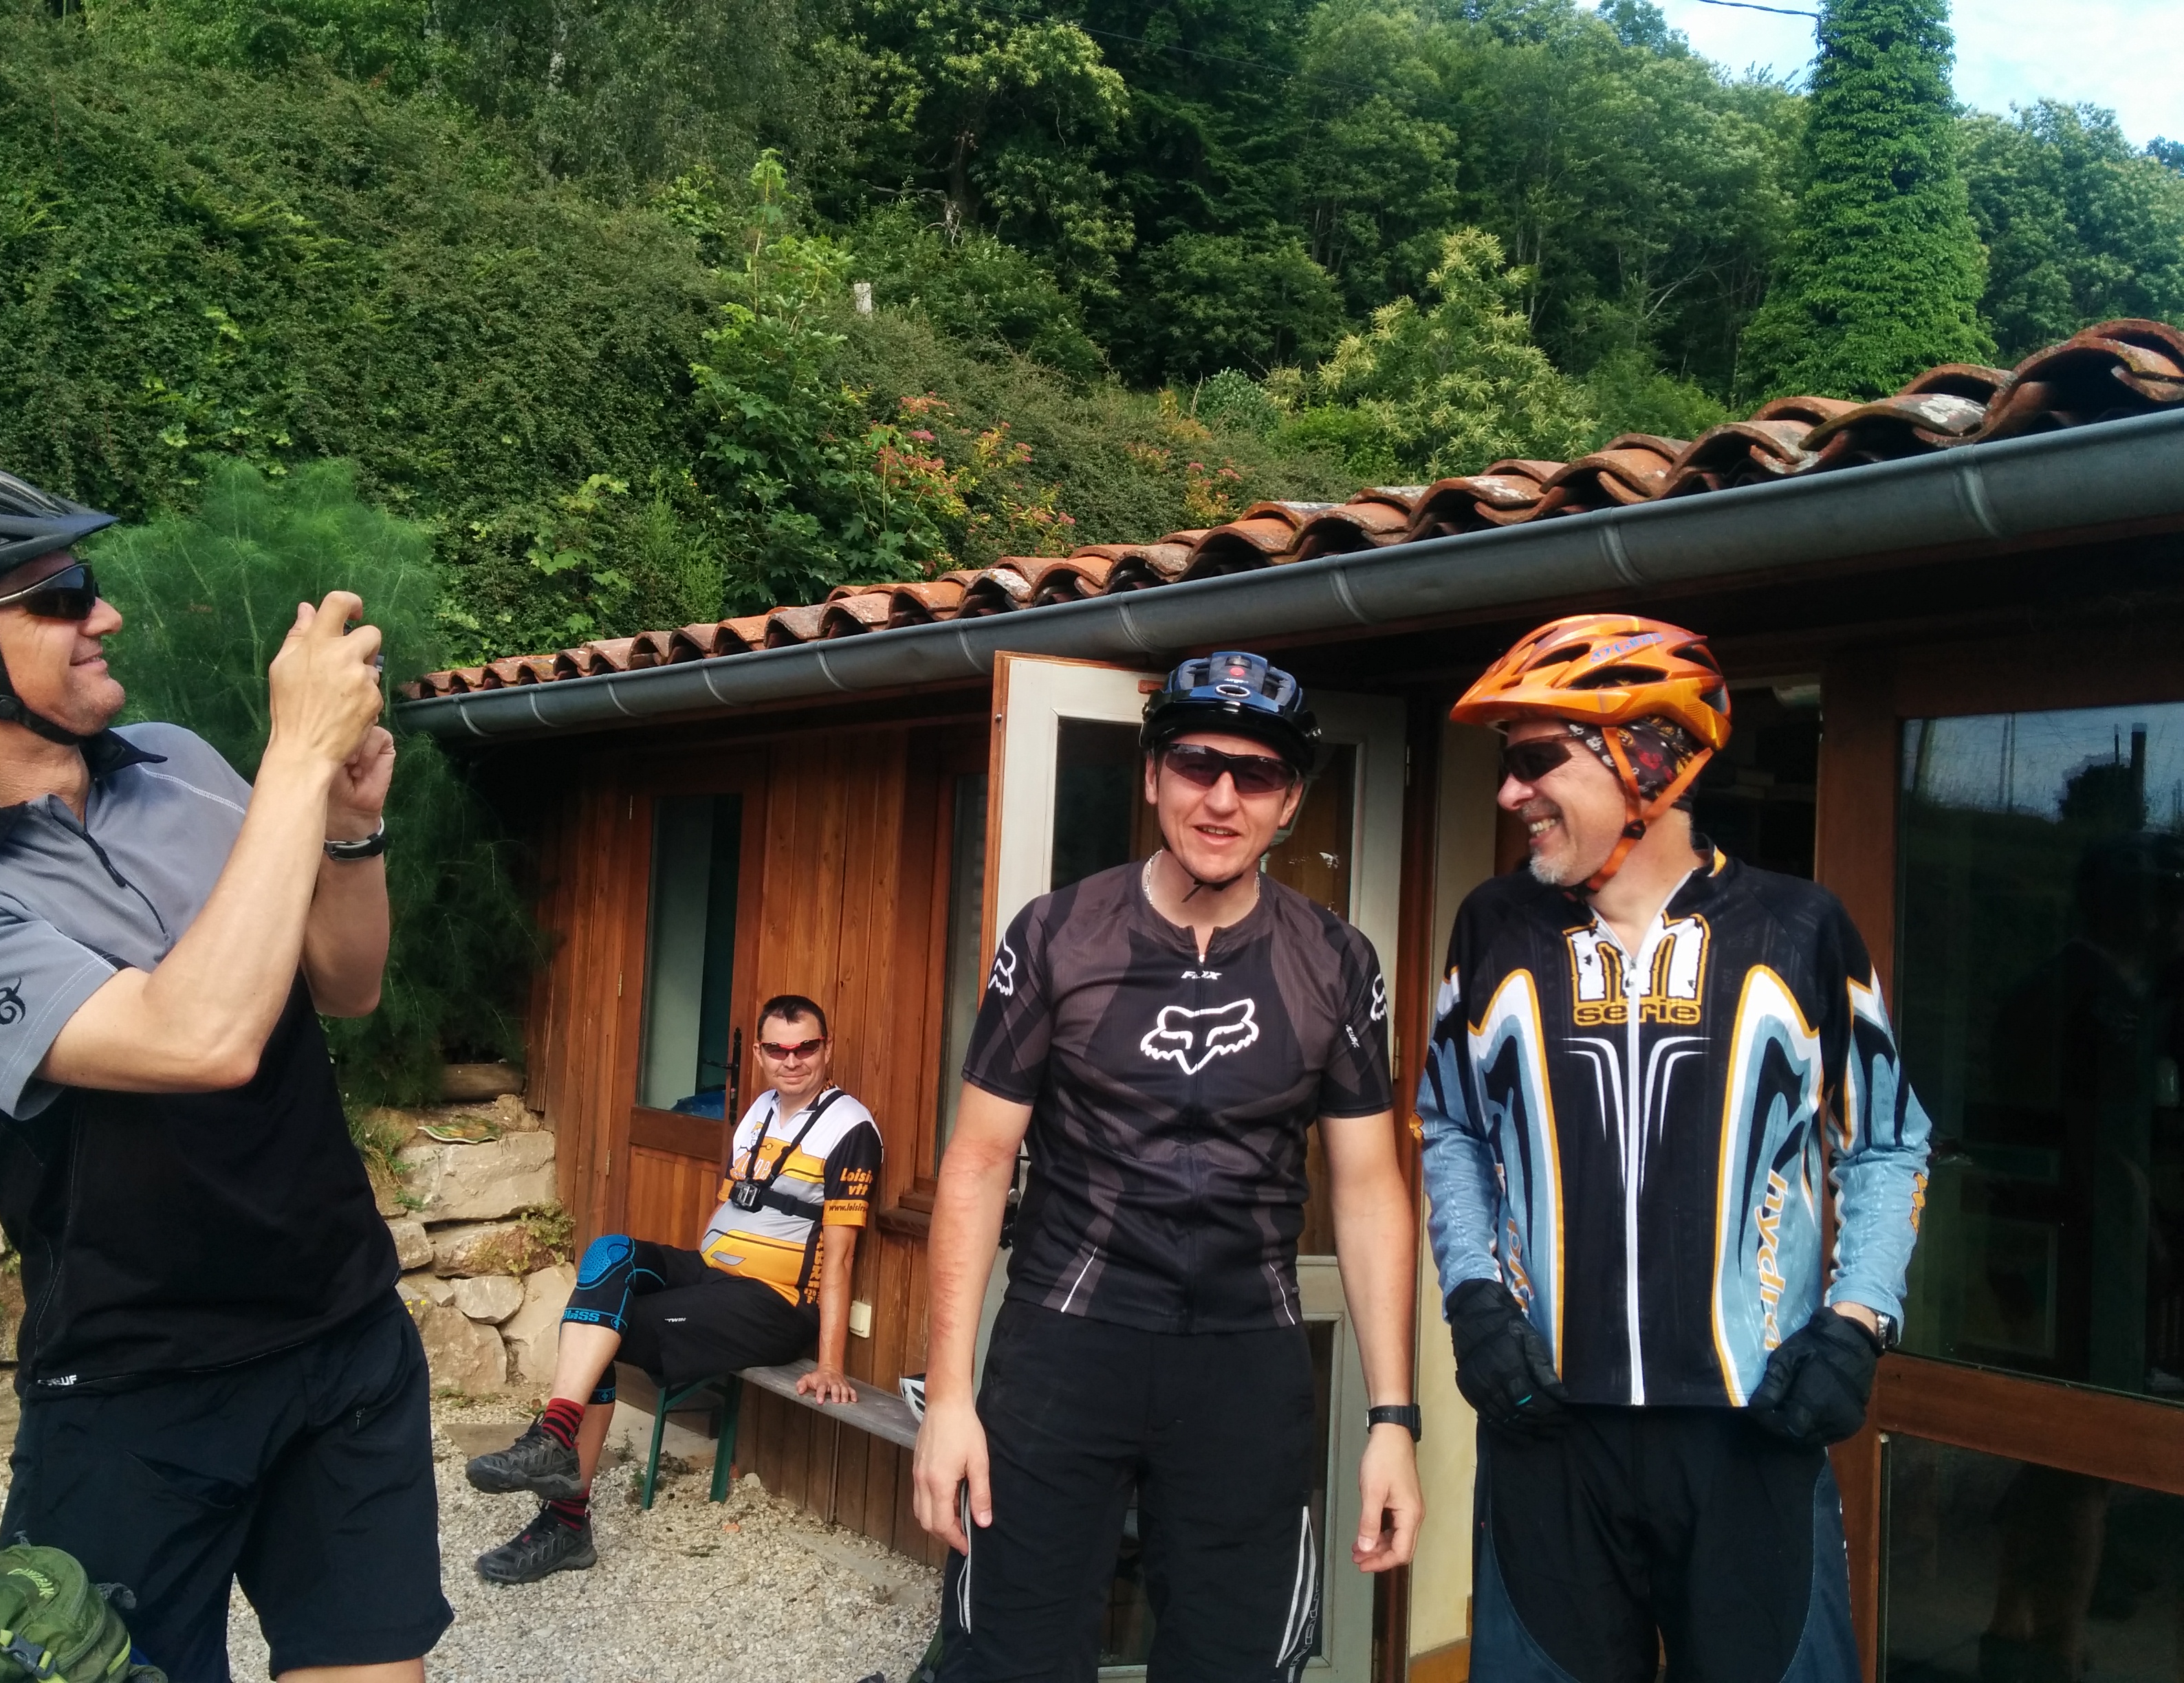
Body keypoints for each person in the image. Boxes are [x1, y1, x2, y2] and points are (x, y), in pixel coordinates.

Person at [0, 459, 448, 1682]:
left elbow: (344, 982)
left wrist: (345, 829)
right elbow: (196, 1038)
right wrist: (295, 757)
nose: (106, 614)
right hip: (135, 1386)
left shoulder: (175, 761)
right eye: (62, 596)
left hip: (344, 1332)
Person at [1420, 614, 1934, 1683]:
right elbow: (1453, 1126)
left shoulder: (1802, 929)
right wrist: (1472, 1298)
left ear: (1648, 761)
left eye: (1536, 760)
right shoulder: (1492, 927)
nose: (1509, 793)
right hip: (1546, 1427)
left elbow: (1887, 1144)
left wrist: (1856, 1324)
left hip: (1755, 1428)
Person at [913, 651, 1423, 1683]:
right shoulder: (1056, 935)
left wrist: (1393, 1419)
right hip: (1064, 1346)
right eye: (1197, 764)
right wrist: (952, 1397)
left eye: (1258, 774)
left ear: (1290, 802)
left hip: (1244, 1361)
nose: (1222, 799)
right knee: (1010, 1657)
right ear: (1151, 775)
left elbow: (1371, 1190)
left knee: (1234, 1663)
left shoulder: (1337, 961)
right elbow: (977, 1161)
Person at [466, 993, 880, 1583]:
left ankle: (564, 1517)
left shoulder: (850, 1127)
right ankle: (556, 1441)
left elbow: (839, 1258)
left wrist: (832, 1363)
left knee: (601, 1326)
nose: (792, 1061)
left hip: (774, 1303)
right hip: (715, 1276)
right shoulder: (760, 1110)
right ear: (759, 1054)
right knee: (608, 1259)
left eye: (805, 1048)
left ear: (827, 1048)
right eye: (778, 1050)